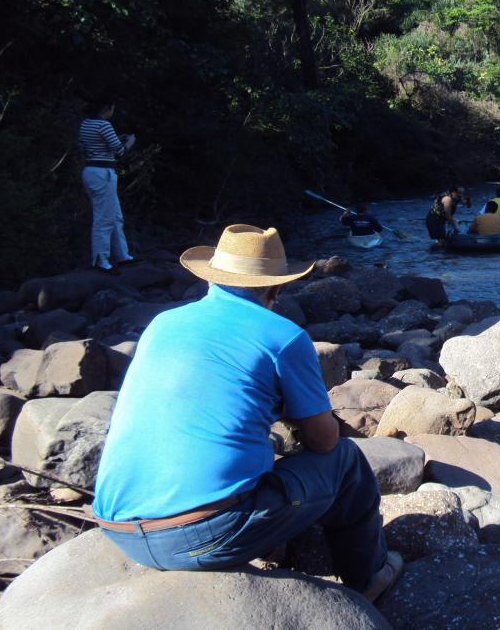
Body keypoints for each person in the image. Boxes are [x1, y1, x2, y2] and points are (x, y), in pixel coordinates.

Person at [93, 224, 401, 601]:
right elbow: (324, 441)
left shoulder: (161, 324)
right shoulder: (283, 337)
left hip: (117, 527)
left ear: (212, 277)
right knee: (346, 460)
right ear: (276, 288)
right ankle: (367, 579)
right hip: (203, 536)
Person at [78, 97, 137, 272]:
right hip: (103, 174)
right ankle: (100, 261)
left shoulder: (85, 124)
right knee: (104, 218)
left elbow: (86, 147)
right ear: (107, 108)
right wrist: (130, 142)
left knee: (115, 216)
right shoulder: (104, 125)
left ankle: (123, 255)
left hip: (91, 170)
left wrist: (116, 140)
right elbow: (120, 151)